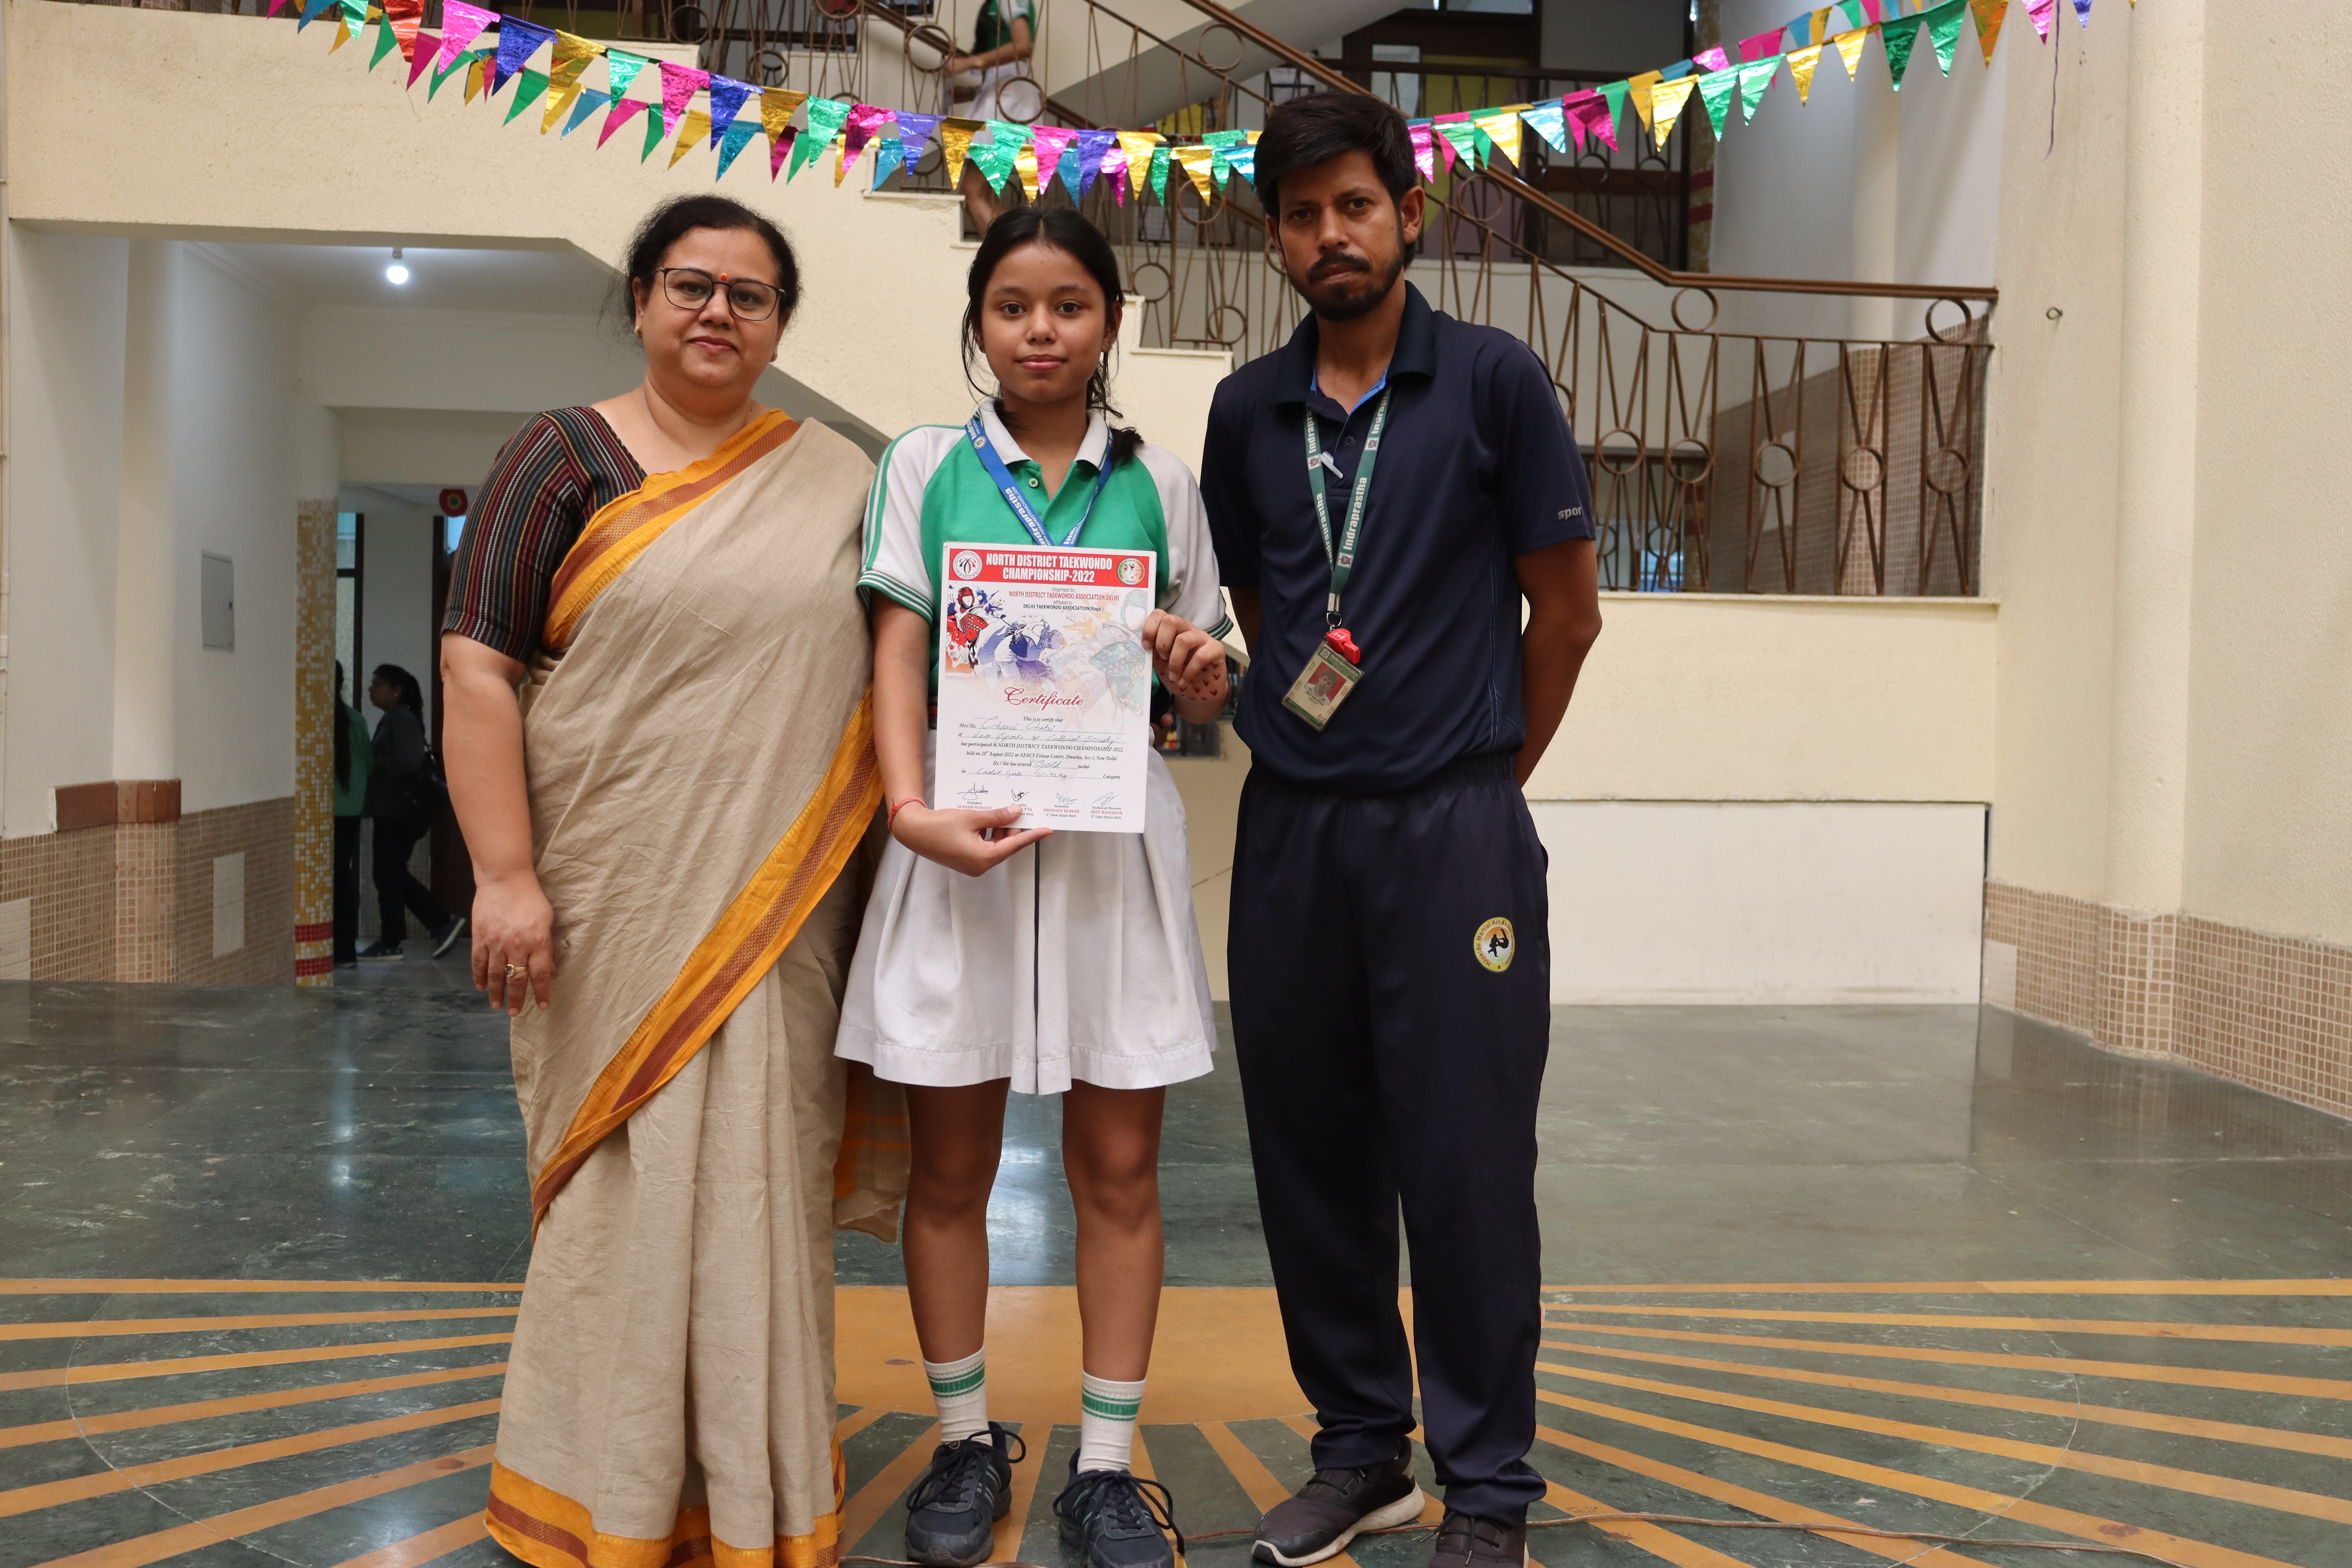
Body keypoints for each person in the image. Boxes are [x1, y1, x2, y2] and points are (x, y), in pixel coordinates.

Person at [438, 194, 905, 1568]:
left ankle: (757, 1493)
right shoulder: (558, 457)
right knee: (619, 1200)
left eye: (748, 296)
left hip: (778, 917)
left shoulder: (839, 479)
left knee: (761, 1191)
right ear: (640, 298)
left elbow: (914, 660)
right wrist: (505, 876)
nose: (717, 312)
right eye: (690, 285)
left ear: (779, 326)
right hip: (606, 910)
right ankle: (604, 1488)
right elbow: (477, 668)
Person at [1196, 92, 1604, 1568]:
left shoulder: (1493, 381)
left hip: (1454, 831)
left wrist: (1483, 781)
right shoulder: (1246, 410)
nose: (1331, 234)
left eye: (1354, 205)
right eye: (1302, 215)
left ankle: (1485, 1486)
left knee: (1465, 1159)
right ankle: (1360, 1449)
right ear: (1275, 238)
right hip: (1295, 831)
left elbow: (1566, 616)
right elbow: (1270, 620)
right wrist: (1338, 741)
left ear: (1407, 214)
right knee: (1309, 1151)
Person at [840, 207, 1231, 1568]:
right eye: (1012, 306)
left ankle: (1106, 1467)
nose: (1041, 330)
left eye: (1069, 304)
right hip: (961, 835)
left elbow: (1207, 673)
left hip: (1111, 842)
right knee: (949, 1169)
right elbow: (896, 655)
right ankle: (963, 1441)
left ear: (1109, 321)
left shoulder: (1161, 478)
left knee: (1118, 1171)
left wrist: (1199, 671)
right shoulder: (924, 466)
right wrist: (910, 816)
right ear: (979, 323)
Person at [356, 663, 465, 962]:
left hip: (398, 812)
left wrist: (378, 763)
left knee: (387, 873)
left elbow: (410, 760)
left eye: (377, 684)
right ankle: (426, 928)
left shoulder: (401, 719)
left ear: (396, 691)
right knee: (389, 873)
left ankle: (425, 928)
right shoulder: (394, 717)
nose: (371, 690)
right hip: (391, 810)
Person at [943, 0, 1032, 229]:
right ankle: (1025, 242)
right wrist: (974, 93)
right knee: (987, 198)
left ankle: (1010, 249)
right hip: (1006, 95)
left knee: (972, 193)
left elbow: (1023, 46)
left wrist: (971, 62)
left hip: (1007, 100)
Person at [332, 661, 373, 968]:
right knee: (342, 873)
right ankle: (346, 950)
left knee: (329, 876)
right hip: (350, 808)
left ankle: (333, 948)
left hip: (325, 809)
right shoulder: (356, 720)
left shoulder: (312, 718)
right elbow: (368, 764)